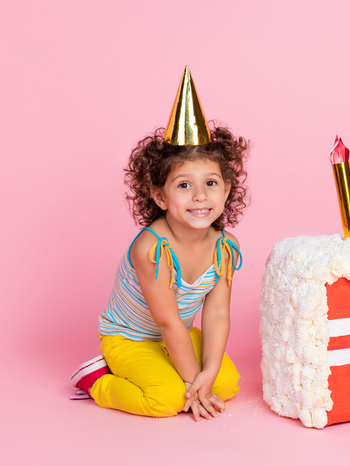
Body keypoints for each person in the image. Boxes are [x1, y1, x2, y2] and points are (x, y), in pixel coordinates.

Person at [70, 67, 249, 421]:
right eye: (184, 185)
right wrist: (192, 386)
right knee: (166, 401)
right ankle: (96, 381)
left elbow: (216, 313)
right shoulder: (151, 250)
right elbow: (168, 324)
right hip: (131, 339)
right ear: (159, 196)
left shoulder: (225, 247)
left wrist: (208, 374)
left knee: (227, 383)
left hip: (178, 337)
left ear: (227, 190)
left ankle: (185, 377)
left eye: (211, 183)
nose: (200, 195)